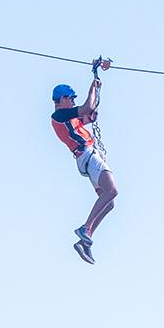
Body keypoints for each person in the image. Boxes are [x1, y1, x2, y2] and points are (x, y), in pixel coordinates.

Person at [50, 57, 116, 264]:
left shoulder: (70, 116)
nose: (72, 100)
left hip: (87, 157)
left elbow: (91, 113)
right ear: (60, 100)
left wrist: (96, 78)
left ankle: (85, 240)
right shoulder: (59, 115)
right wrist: (92, 85)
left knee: (110, 202)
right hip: (86, 154)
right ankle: (85, 229)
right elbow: (87, 107)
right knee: (112, 190)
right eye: (69, 97)